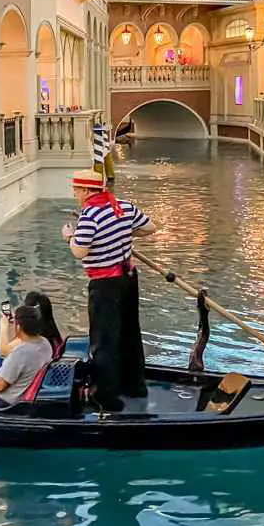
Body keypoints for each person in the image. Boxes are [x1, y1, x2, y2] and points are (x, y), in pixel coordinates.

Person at [61, 168, 157, 412]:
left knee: (104, 341)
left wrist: (69, 236)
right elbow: (150, 228)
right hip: (128, 279)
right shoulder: (123, 206)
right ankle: (135, 387)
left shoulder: (89, 216)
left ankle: (107, 398)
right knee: (129, 333)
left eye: (76, 190)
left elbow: (79, 251)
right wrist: (122, 232)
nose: (75, 194)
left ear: (84, 191)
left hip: (105, 285)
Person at [0, 291, 64, 371]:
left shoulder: (35, 336)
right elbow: (15, 343)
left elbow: (4, 351)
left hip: (25, 367)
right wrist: (13, 324)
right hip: (31, 361)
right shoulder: (49, 332)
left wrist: (4, 326)